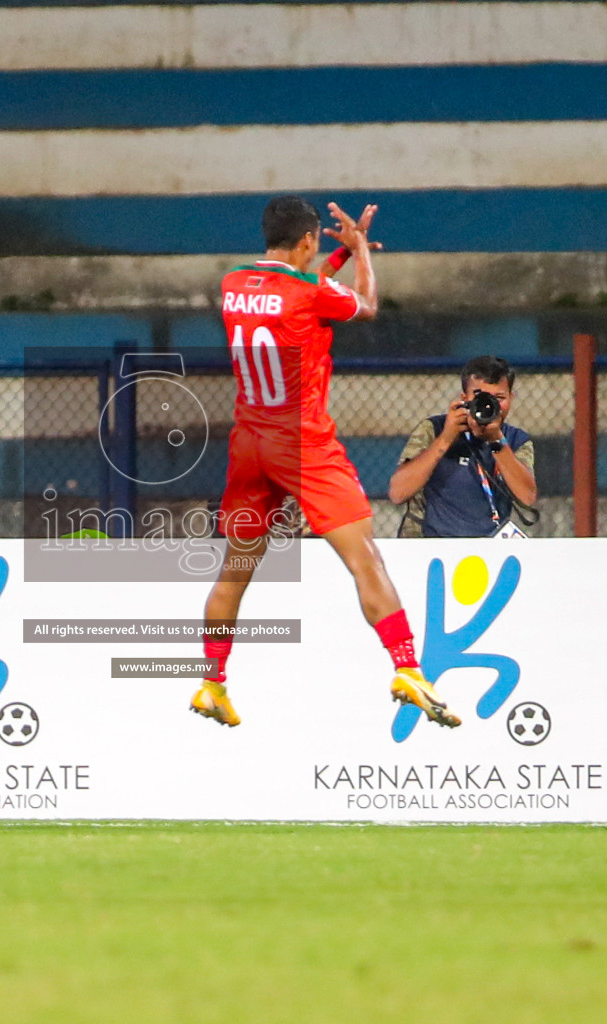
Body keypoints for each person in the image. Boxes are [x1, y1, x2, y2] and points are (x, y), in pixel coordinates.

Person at [190, 195, 460, 730]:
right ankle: (407, 668)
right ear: (309, 241)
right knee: (365, 560)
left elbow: (297, 292)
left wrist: (330, 260)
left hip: (249, 442)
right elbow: (364, 303)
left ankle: (212, 683)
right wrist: (359, 252)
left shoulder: (232, 285)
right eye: (318, 245)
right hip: (303, 443)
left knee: (234, 572)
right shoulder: (310, 291)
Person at [388, 356, 537, 538]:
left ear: (511, 398)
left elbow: (527, 498)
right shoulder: (434, 429)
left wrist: (496, 441)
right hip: (430, 545)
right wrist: (446, 438)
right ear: (464, 398)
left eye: (499, 397)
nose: (490, 404)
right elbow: (397, 493)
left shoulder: (515, 440)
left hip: (489, 549)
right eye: (480, 397)